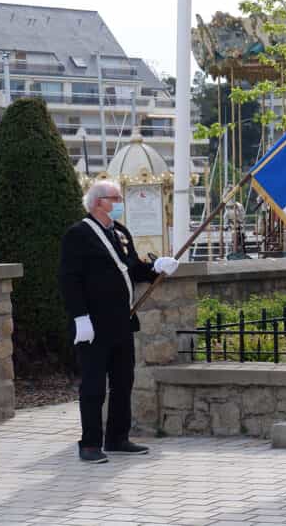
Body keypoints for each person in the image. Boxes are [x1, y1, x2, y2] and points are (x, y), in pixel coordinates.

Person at [60, 180, 179, 463]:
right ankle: (89, 444)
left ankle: (117, 437)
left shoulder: (120, 232)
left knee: (123, 381)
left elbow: (132, 268)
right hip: (94, 324)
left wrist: (156, 268)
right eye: (115, 198)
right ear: (99, 202)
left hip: (122, 321)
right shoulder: (78, 234)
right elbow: (70, 279)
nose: (119, 203)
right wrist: (80, 317)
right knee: (93, 386)